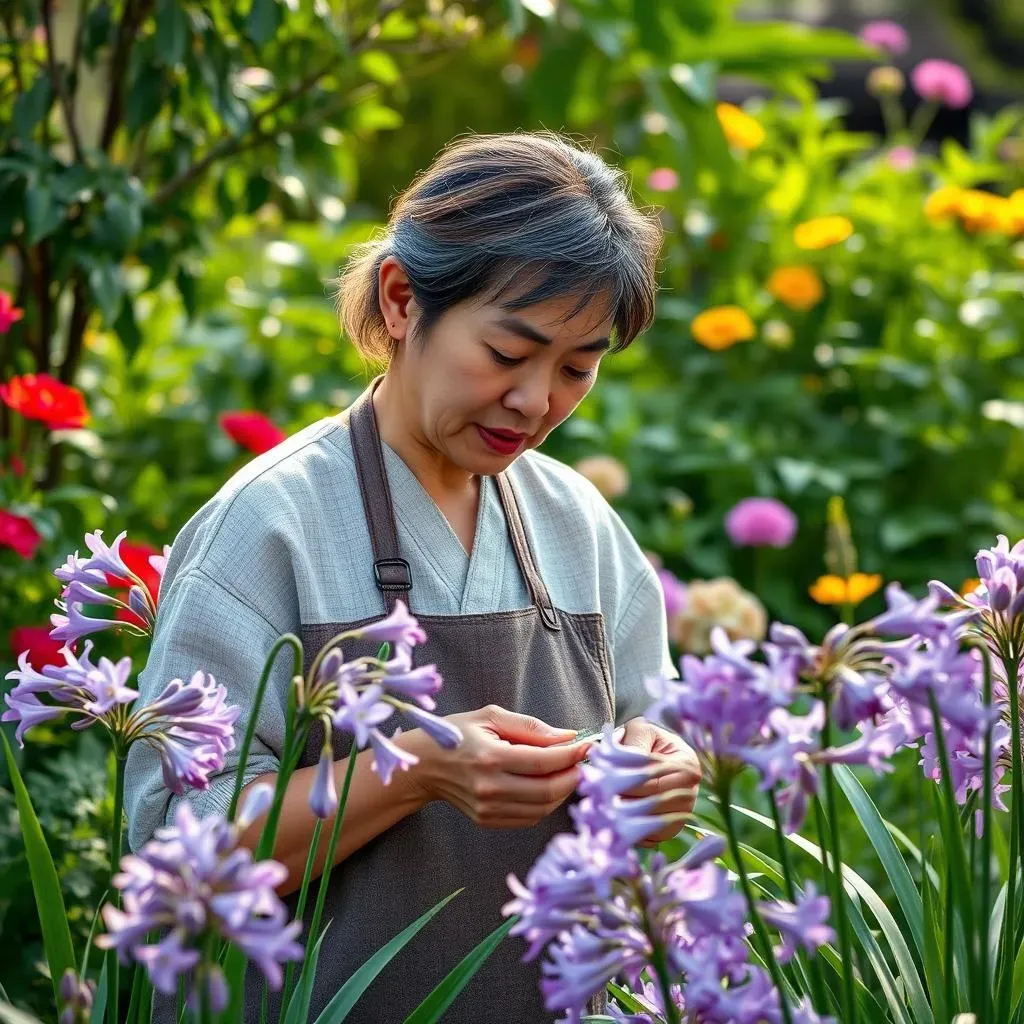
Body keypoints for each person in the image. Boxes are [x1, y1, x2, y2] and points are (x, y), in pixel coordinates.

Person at [124, 130, 700, 1022]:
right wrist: (417, 769)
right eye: (509, 353)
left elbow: (648, 717)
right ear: (401, 300)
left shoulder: (578, 525)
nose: (537, 400)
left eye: (577, 368)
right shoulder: (269, 528)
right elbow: (174, 849)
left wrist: (664, 766)